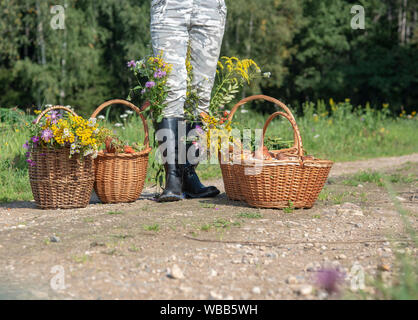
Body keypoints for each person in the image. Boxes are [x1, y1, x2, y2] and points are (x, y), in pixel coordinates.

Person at [150, 0, 227, 202]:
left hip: (210, 7)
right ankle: (173, 178)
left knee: (201, 94)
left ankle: (188, 174)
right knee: (169, 91)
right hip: (169, 6)